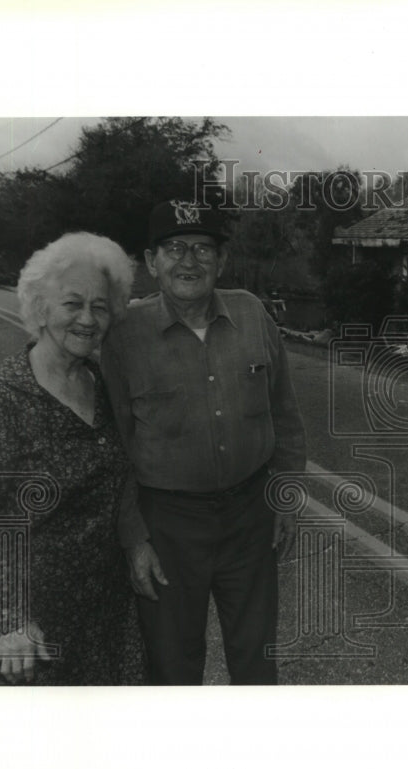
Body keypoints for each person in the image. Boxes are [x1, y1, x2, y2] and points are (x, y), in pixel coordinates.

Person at [100, 199, 306, 685]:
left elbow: (286, 415)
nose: (188, 261)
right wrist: (134, 540)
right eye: (174, 248)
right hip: (168, 525)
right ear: (151, 262)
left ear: (222, 261)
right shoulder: (124, 335)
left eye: (202, 248)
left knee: (257, 660)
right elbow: (114, 449)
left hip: (250, 517)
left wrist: (287, 496)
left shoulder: (253, 314)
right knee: (172, 667)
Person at [0, 232, 147, 685]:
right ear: (40, 308)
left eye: (100, 306)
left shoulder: (103, 385)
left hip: (104, 616)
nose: (87, 319)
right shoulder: (4, 401)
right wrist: (11, 617)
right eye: (72, 304)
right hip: (27, 633)